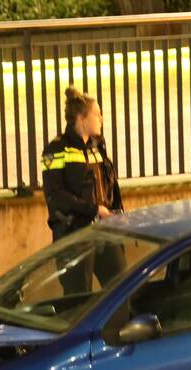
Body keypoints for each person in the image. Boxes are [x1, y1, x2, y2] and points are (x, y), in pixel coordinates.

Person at [41, 87, 125, 295]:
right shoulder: (57, 149)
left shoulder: (97, 146)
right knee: (78, 296)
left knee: (122, 288)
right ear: (82, 118)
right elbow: (56, 195)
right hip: (74, 235)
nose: (101, 118)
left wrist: (117, 212)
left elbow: (110, 185)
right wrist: (93, 210)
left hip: (106, 232)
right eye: (97, 114)